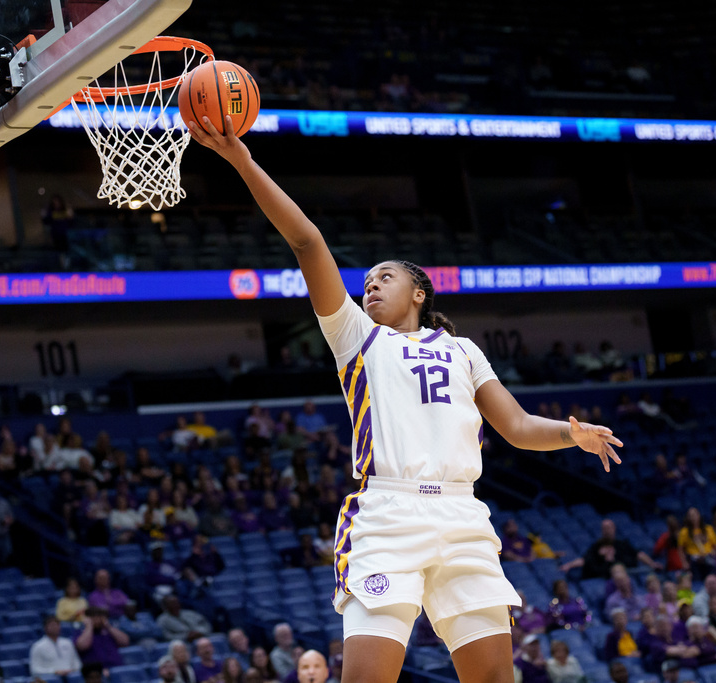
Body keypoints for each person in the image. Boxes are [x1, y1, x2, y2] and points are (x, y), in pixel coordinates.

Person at [190, 115, 625, 683]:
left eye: (385, 277)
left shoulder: (465, 349)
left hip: (461, 512)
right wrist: (242, 160)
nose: (370, 284)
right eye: (367, 279)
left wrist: (573, 432)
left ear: (419, 292)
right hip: (389, 513)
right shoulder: (355, 336)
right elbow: (306, 241)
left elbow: (516, 426)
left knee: (494, 678)